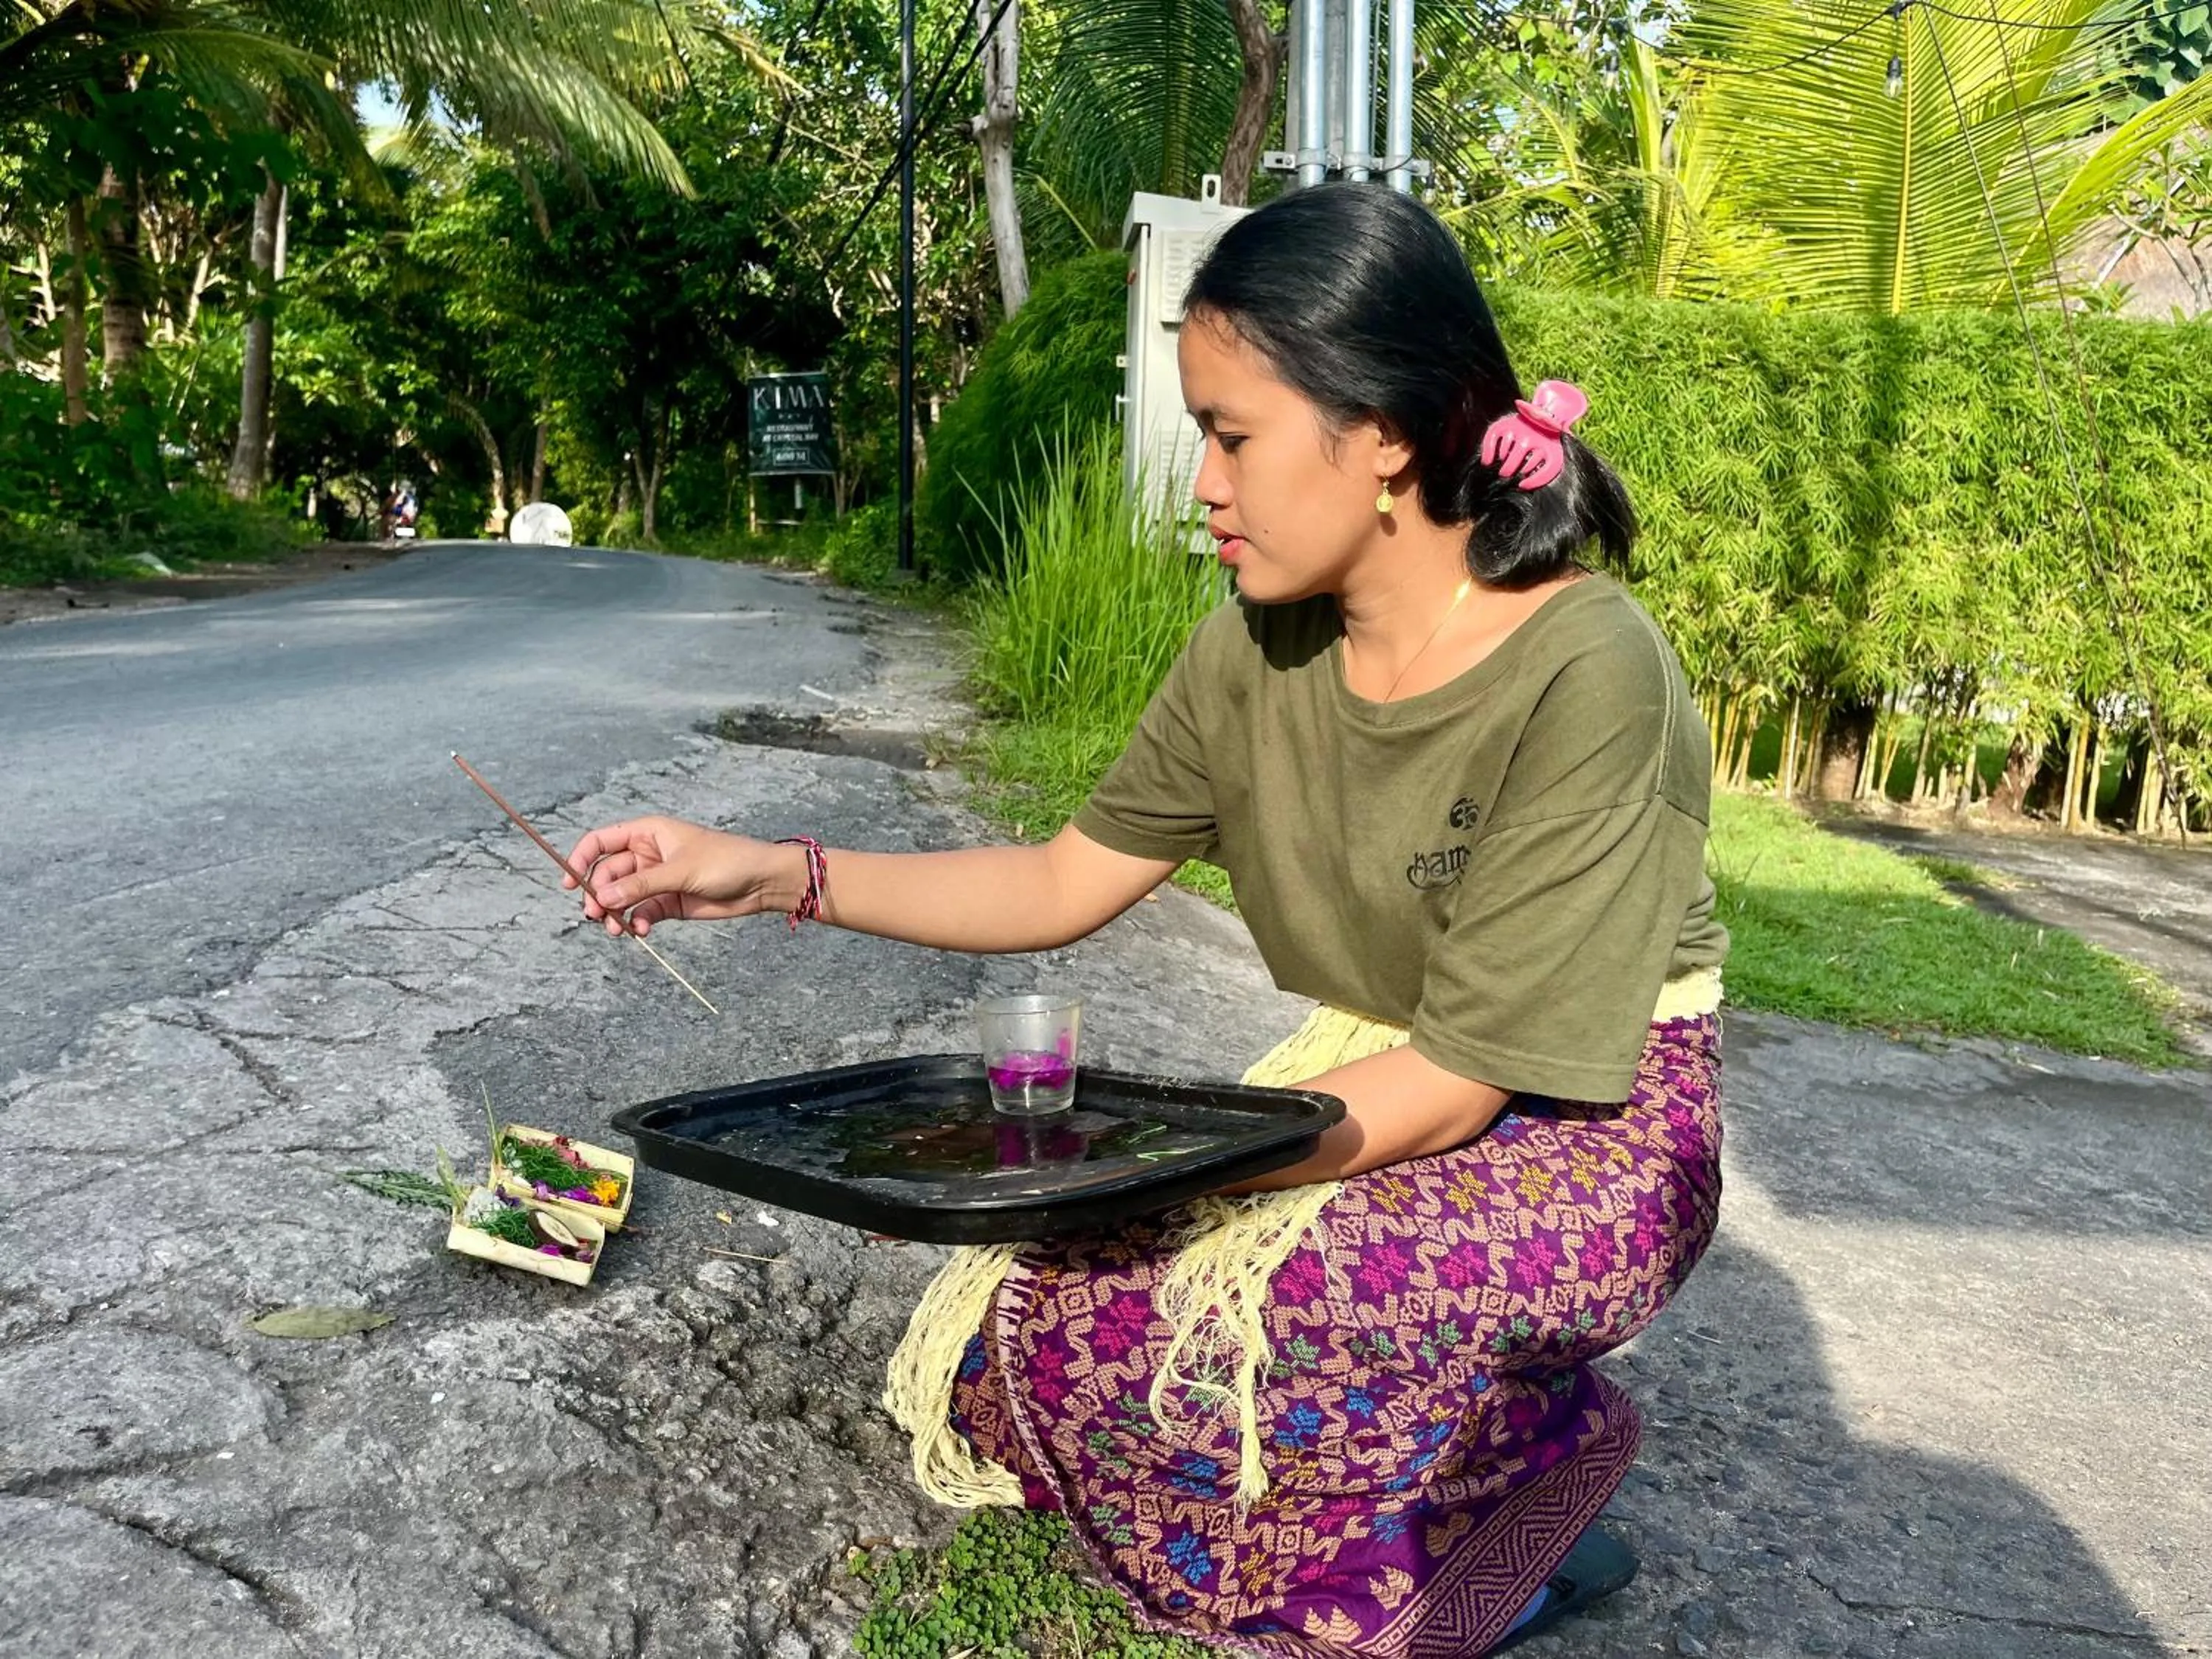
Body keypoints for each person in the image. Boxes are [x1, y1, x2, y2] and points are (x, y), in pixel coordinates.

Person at [565, 182, 1728, 1657]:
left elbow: (1468, 1078)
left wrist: (1175, 1176)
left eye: (1233, 436)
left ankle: (1529, 1469)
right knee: (1034, 1336)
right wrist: (769, 870)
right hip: (1379, 1078)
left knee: (1285, 1308)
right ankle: (1438, 1478)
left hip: (1587, 1121)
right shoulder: (1255, 647)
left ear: (1380, 433)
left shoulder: (1589, 674)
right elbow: (1062, 880)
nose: (1205, 486)